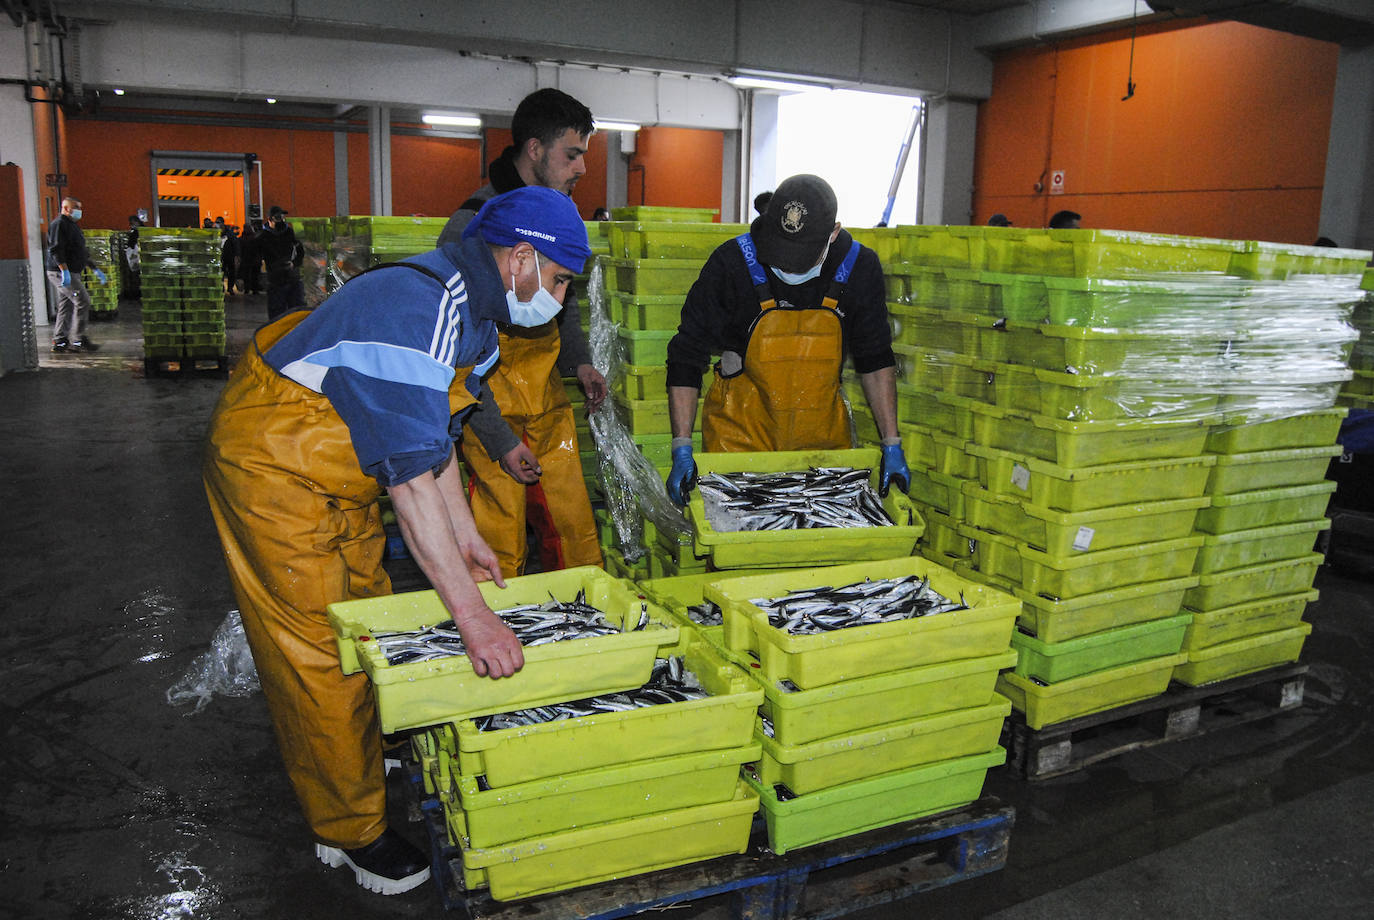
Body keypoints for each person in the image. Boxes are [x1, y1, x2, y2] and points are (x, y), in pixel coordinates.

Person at [202, 185, 590, 896]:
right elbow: (412, 483)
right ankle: (349, 832)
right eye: (561, 279)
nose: (560, 298)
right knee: (318, 648)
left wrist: (467, 534)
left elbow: (432, 440)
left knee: (366, 613)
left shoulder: (472, 318)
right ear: (522, 259)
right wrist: (473, 618)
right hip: (273, 468)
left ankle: (351, 750)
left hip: (340, 469)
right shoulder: (424, 308)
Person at [436, 87, 605, 578]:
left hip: (548, 405)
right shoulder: (473, 227)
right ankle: (496, 633)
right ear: (535, 149)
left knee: (574, 527)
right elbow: (456, 363)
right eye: (572, 154)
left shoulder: (558, 217)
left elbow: (563, 304)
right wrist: (496, 437)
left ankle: (585, 624)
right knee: (498, 539)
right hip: (487, 410)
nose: (582, 169)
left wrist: (580, 361)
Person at [664, 174, 909, 505]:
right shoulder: (732, 263)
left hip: (821, 450)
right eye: (779, 252)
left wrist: (891, 442)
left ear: (833, 233)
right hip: (739, 444)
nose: (788, 267)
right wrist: (682, 446)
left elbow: (875, 357)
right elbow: (686, 355)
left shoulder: (860, 268)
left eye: (801, 256)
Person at [45, 196, 106, 353]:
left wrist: (94, 269)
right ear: (65, 208)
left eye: (80, 207)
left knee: (66, 305)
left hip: (72, 272)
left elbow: (81, 251)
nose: (79, 211)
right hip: (62, 272)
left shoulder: (73, 226)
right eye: (76, 207)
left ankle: (60, 341)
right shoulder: (59, 224)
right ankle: (77, 340)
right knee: (82, 300)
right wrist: (64, 270)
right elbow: (56, 249)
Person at [258, 205, 305, 320]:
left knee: (296, 313)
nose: (281, 220)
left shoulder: (289, 232)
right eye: (278, 217)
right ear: (270, 219)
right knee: (277, 314)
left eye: (282, 217)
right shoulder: (264, 236)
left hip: (292, 278)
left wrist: (294, 263)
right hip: (275, 281)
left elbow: (300, 251)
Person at [239, 220, 263, 294]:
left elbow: (240, 249)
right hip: (255, 260)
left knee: (246, 275)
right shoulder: (255, 238)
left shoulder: (241, 238)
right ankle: (254, 289)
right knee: (255, 275)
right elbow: (260, 249)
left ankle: (247, 289)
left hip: (246, 260)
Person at [125, 214, 143, 299]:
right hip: (136, 256)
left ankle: (137, 294)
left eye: (132, 223)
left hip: (138, 256)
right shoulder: (136, 231)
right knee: (136, 275)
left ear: (137, 222)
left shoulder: (139, 232)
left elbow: (133, 243)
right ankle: (137, 293)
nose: (131, 224)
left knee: (137, 276)